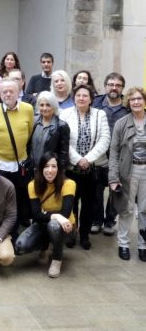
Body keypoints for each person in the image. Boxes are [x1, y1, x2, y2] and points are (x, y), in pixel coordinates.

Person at [60, 84, 110, 250]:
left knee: (89, 204)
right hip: (70, 169)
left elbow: (105, 140)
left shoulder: (99, 114)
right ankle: (71, 233)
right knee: (70, 203)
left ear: (91, 99)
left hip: (91, 169)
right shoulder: (65, 114)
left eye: (85, 96)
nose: (81, 98)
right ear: (74, 97)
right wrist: (77, 159)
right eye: (78, 95)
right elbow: (63, 140)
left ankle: (85, 235)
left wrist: (87, 159)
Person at [0, 78, 34, 240]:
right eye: (4, 91)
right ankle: (1, 232)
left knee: (19, 199)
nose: (8, 94)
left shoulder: (28, 109)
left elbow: (29, 133)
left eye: (11, 91)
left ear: (18, 93)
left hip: (20, 163)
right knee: (1, 200)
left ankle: (14, 233)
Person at [15, 152, 76, 278]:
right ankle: (45, 246)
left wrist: (51, 215)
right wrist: (57, 215)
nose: (50, 170)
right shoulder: (33, 185)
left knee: (54, 225)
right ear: (40, 168)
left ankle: (56, 258)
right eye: (46, 166)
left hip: (66, 228)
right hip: (42, 224)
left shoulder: (69, 184)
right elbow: (36, 215)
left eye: (54, 166)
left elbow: (65, 214)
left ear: (59, 168)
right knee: (20, 247)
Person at [109, 86, 146, 262]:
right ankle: (123, 244)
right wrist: (113, 178)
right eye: (133, 100)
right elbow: (114, 152)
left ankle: (143, 245)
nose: (136, 102)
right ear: (128, 103)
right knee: (126, 209)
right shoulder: (121, 123)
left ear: (144, 101)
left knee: (145, 210)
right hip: (127, 172)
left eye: (139, 99)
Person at [92, 72, 129, 235]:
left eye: (118, 85)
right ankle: (97, 220)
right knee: (97, 190)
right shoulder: (96, 102)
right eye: (111, 84)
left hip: (120, 155)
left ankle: (109, 221)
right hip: (99, 154)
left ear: (122, 88)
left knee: (115, 190)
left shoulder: (128, 106)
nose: (114, 88)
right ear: (105, 86)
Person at [30, 92, 70, 171]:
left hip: (50, 170)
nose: (44, 108)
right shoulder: (33, 121)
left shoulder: (62, 126)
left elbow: (64, 154)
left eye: (48, 105)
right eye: (41, 105)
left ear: (54, 106)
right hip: (32, 169)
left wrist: (59, 172)